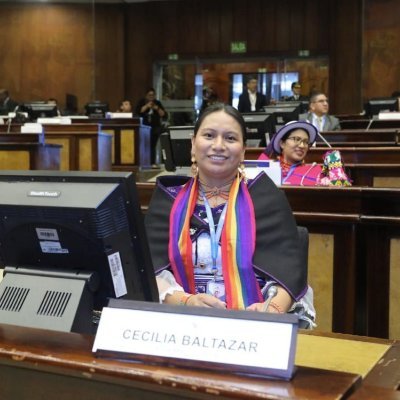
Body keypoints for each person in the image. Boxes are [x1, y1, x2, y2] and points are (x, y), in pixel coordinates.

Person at [145, 103, 315, 327]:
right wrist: (184, 302)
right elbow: (146, 271)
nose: (218, 146)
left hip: (255, 330)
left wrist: (272, 310)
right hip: (179, 327)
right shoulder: (168, 200)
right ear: (192, 144)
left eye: (230, 138)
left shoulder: (266, 197)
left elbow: (289, 275)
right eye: (209, 135)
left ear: (243, 150)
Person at [259, 120, 351, 186]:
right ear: (282, 143)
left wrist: (334, 160)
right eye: (296, 139)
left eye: (306, 142)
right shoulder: (268, 167)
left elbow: (341, 189)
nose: (302, 145)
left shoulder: (314, 170)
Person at [135, 88, 167, 166]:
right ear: (146, 95)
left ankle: (152, 162)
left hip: (155, 128)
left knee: (153, 145)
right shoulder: (142, 102)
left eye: (153, 95)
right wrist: (147, 106)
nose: (151, 97)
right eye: (149, 95)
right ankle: (143, 162)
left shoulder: (157, 103)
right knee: (144, 145)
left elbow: (164, 114)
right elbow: (138, 111)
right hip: (144, 127)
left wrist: (157, 108)